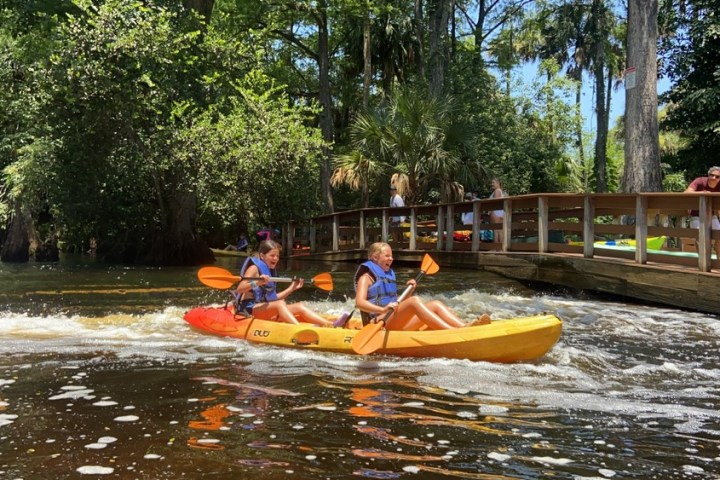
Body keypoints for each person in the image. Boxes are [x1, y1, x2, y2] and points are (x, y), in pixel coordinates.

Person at [354, 242, 490, 330]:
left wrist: (410, 290)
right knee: (415, 301)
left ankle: (465, 327)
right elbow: (359, 303)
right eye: (387, 255)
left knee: (435, 304)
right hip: (377, 323)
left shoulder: (388, 275)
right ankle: (453, 332)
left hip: (391, 318)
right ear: (375, 257)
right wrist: (383, 309)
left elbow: (397, 302)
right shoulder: (365, 278)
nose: (391, 258)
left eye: (392, 256)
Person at [235, 240, 331, 326]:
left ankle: (331, 325)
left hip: (263, 307)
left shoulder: (270, 271)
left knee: (299, 306)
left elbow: (273, 298)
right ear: (262, 256)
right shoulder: (254, 268)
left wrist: (291, 288)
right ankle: (298, 329)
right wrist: (257, 283)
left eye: (277, 256)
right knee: (280, 304)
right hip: (249, 308)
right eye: (272, 255)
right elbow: (239, 289)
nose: (276, 258)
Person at [685, 166, 720, 260]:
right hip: (696, 214)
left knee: (719, 236)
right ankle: (703, 262)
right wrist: (703, 193)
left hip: (712, 215)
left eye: (717, 177)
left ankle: (719, 261)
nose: (714, 178)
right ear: (708, 175)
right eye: (712, 175)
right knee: (700, 237)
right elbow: (687, 192)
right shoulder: (700, 181)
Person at [489, 178, 506, 244]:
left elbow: (495, 202)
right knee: (500, 230)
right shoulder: (500, 191)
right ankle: (500, 248)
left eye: (493, 183)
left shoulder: (497, 191)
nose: (492, 184)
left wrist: (492, 212)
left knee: (496, 230)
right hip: (500, 212)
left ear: (498, 183)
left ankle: (496, 248)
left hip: (496, 212)